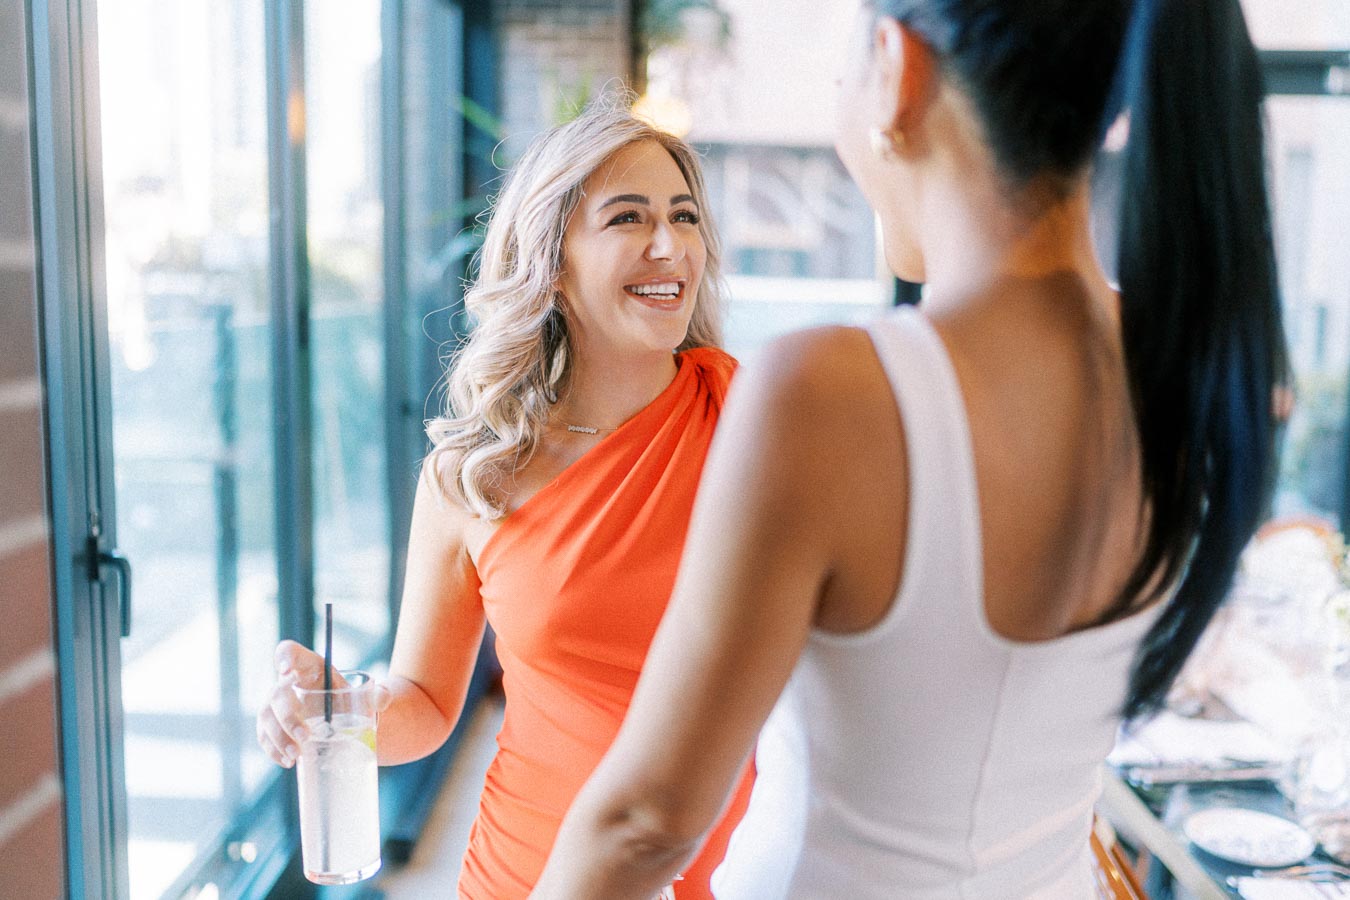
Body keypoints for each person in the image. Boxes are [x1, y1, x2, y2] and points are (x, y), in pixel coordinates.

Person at [532, 0, 1287, 897]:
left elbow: (642, 824)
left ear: (896, 69)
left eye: (847, 66)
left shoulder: (828, 395)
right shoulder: (1186, 377)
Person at [255, 99, 753, 899]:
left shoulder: (761, 427)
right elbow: (424, 702)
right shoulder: (470, 476)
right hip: (532, 870)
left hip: (731, 868)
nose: (670, 247)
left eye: (685, 217)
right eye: (629, 217)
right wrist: (344, 708)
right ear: (552, 261)